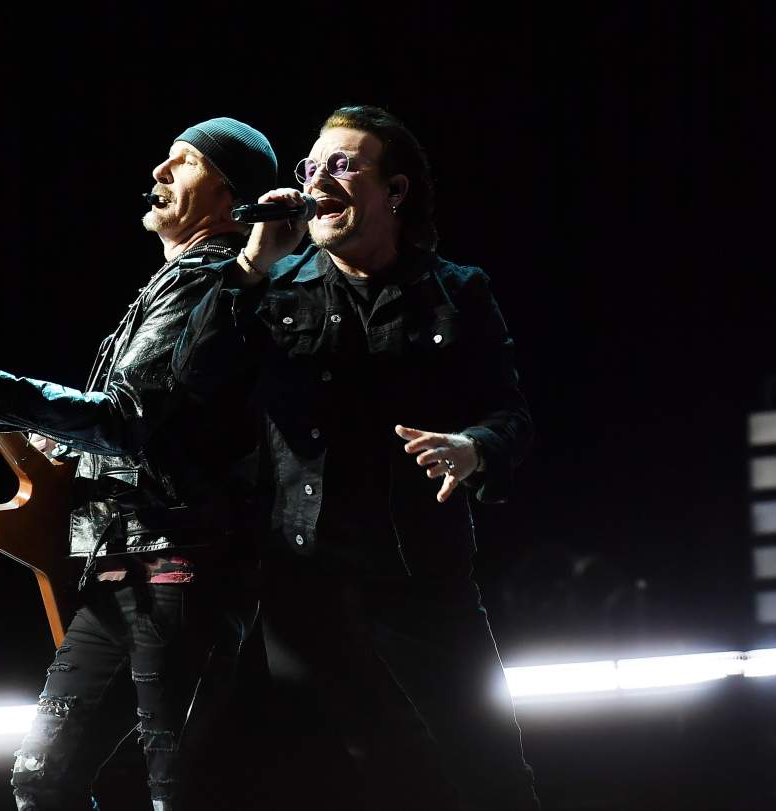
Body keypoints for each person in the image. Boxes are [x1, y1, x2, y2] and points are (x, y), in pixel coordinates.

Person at [172, 105, 539, 810]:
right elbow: (191, 385)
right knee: (321, 771)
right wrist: (251, 265)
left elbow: (511, 413)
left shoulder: (457, 292)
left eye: (342, 165)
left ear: (394, 190)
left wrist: (473, 448)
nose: (317, 180)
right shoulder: (273, 287)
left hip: (420, 579)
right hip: (301, 584)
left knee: (489, 770)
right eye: (310, 168)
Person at [0, 117, 277, 811]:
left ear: (232, 198)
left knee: (175, 788)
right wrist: (39, 425)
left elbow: (128, 420)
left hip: (179, 565)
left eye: (184, 163)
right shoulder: (174, 284)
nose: (159, 173)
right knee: (44, 776)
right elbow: (144, 423)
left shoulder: (206, 281)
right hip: (122, 567)